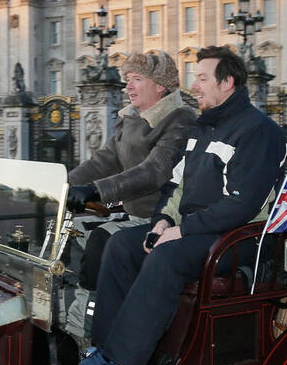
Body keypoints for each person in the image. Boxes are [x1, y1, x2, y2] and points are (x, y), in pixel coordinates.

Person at [77, 46, 287, 365]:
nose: (194, 85)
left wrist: (181, 231)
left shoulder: (259, 131)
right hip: (197, 229)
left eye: (202, 78)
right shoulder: (203, 127)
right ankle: (107, 349)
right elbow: (176, 185)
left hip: (237, 237)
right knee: (122, 245)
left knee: (166, 257)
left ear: (228, 83)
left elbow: (241, 204)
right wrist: (162, 221)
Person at [66, 51, 195, 287]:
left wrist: (95, 191)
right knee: (69, 231)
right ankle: (70, 298)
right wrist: (64, 183)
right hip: (132, 213)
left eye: (137, 78)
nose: (128, 87)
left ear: (160, 86)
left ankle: (91, 310)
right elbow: (103, 161)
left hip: (161, 217)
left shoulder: (180, 119)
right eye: (128, 79)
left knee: (101, 240)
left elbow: (154, 171)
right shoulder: (131, 118)